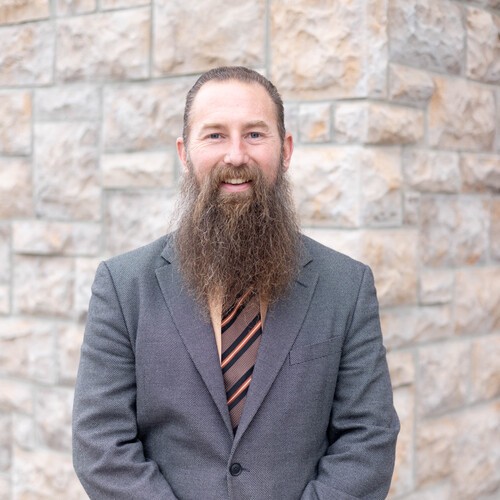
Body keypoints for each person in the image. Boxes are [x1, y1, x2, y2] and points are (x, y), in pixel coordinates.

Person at [73, 66, 399, 500]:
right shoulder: (123, 286)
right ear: (184, 153)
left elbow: (369, 439)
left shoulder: (347, 286)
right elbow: (100, 444)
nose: (235, 155)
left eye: (254, 134)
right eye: (215, 135)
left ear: (285, 150)